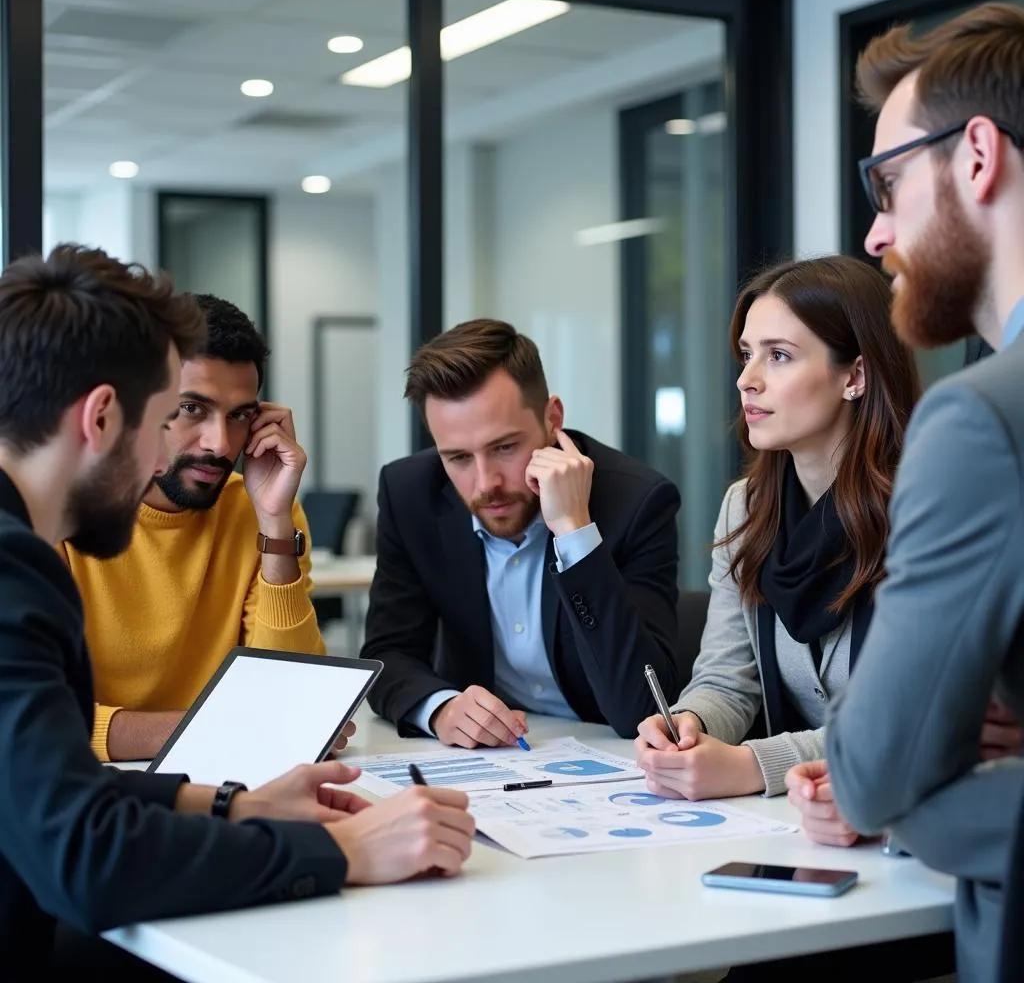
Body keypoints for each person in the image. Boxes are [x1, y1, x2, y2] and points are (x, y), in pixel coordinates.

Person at [0, 245, 475, 973]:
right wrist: (341, 849)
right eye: (168, 416)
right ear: (101, 417)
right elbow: (85, 856)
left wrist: (229, 806)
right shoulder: (14, 567)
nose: (205, 448)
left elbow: (49, 781)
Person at [800, 1, 1024, 983]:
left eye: (888, 182)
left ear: (976, 156)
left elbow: (875, 773)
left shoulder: (978, 420)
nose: (876, 230)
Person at [634, 256, 921, 802]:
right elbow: (726, 681)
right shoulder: (745, 508)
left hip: (893, 812)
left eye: (779, 356)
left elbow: (906, 720)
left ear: (855, 376)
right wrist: (689, 725)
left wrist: (750, 766)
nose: (747, 379)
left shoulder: (924, 511)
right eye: (747, 354)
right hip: (796, 819)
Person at [361, 318, 681, 745]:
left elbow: (642, 708)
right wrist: (440, 708)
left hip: (609, 756)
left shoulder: (635, 502)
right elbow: (387, 656)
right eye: (457, 457)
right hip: (489, 764)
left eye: (505, 447)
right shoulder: (410, 493)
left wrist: (574, 531)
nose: (485, 482)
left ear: (553, 418)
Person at [64, 294, 326, 763]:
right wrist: (229, 726)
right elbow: (33, 719)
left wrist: (273, 521)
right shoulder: (56, 511)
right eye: (191, 409)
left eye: (240, 415)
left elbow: (295, 703)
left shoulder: (259, 512)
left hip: (225, 780)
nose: (220, 444)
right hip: (84, 793)